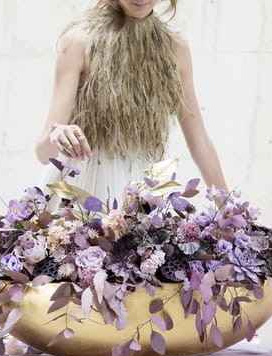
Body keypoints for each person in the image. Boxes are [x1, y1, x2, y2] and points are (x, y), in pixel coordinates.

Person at [35, 0, 229, 205]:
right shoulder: (80, 41)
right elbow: (43, 154)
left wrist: (231, 212)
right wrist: (57, 133)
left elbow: (199, 142)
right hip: (82, 189)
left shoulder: (175, 47)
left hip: (142, 192)